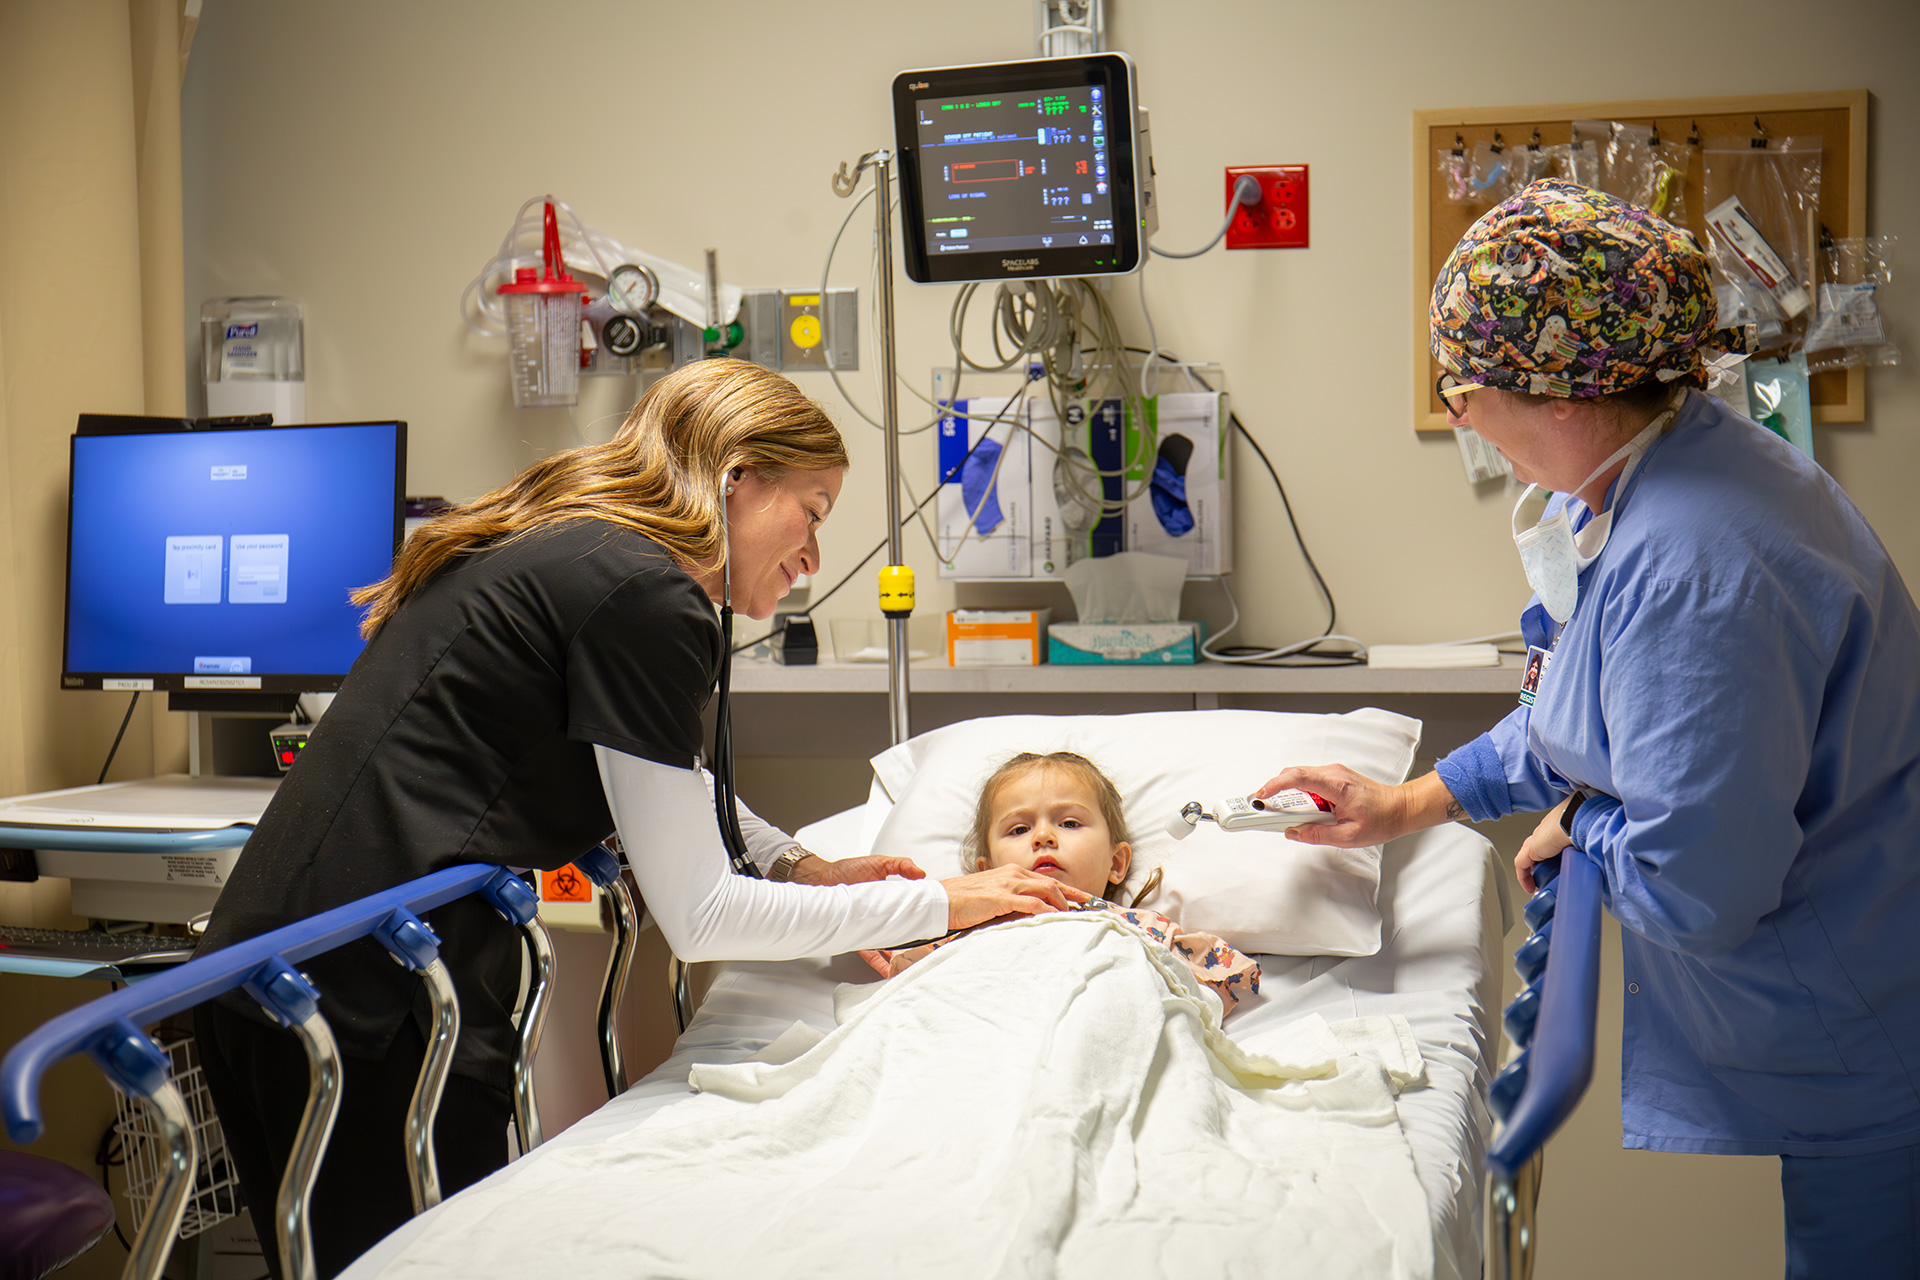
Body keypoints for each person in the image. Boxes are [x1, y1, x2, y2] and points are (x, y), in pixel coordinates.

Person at [192, 360, 1081, 1279]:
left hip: (285, 976)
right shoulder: (644, 596)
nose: (815, 554)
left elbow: (663, 773)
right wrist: (945, 901)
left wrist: (797, 867)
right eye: (812, 511)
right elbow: (702, 920)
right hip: (355, 1002)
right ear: (738, 478)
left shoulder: (588, 557)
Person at [1261, 180, 1920, 1277]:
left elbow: (1697, 886)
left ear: (1562, 397)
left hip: (1862, 1007)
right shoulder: (1676, 462)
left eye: (1464, 388)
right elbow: (1590, 716)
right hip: (1859, 970)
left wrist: (1585, 827)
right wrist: (1413, 802)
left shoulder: (1694, 565)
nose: (1459, 413)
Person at [862, 751, 1260, 1012]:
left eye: (1069, 823)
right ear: (986, 873)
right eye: (1018, 830)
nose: (1042, 837)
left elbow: (1219, 979)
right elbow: (908, 988)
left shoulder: (1142, 929)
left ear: (1116, 863)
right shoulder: (965, 933)